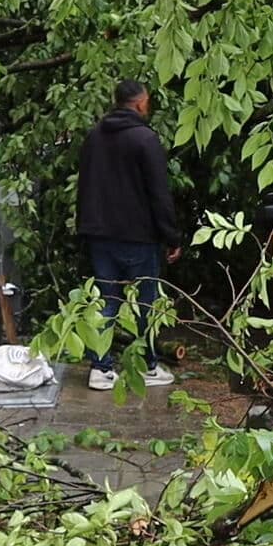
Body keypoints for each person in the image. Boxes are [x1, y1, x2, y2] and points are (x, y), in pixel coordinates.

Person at [76, 80, 181, 391]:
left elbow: (85, 185)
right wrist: (172, 237)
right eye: (147, 101)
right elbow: (158, 194)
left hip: (99, 234)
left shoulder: (94, 137)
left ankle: (101, 367)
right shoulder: (145, 140)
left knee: (107, 300)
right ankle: (148, 365)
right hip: (138, 235)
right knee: (144, 304)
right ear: (139, 104)